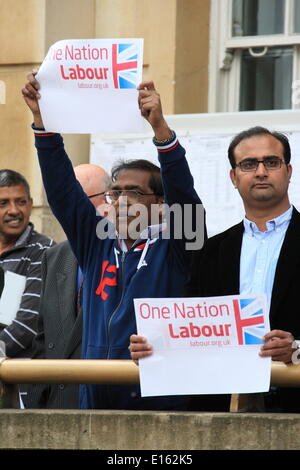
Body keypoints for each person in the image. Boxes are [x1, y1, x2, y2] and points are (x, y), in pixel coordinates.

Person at [22, 75, 204, 410]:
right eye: (115, 192)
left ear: (161, 205)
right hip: (94, 403)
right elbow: (63, 191)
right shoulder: (96, 245)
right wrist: (42, 122)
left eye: (134, 192)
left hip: (157, 405)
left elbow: (185, 197)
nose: (121, 201)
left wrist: (161, 131)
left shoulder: (179, 245)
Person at [130, 126, 300, 412]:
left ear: (289, 171)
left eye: (271, 162)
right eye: (248, 164)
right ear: (233, 177)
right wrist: (154, 346)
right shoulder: (211, 251)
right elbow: (192, 327)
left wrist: (297, 350)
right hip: (220, 408)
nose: (260, 172)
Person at [24, 164, 111, 409]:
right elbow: (44, 339)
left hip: (102, 406)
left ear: (108, 201)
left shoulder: (127, 255)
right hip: (56, 407)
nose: (69, 207)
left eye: (79, 198)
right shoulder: (55, 256)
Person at [0, 169, 54, 358]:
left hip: (20, 378)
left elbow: (27, 324)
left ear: (30, 204)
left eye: (21, 202)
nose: (14, 211)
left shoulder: (44, 250)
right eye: (3, 203)